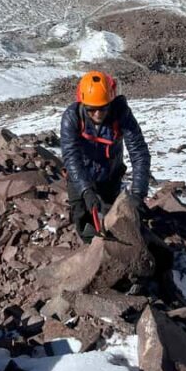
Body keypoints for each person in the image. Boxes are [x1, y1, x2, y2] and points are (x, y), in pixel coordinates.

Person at [60, 70, 151, 242]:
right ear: (82, 104)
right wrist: (86, 190)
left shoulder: (121, 114)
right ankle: (89, 246)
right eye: (91, 110)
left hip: (110, 175)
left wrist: (138, 194)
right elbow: (71, 157)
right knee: (81, 215)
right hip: (80, 173)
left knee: (111, 218)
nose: (97, 114)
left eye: (103, 108)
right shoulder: (72, 117)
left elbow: (139, 153)